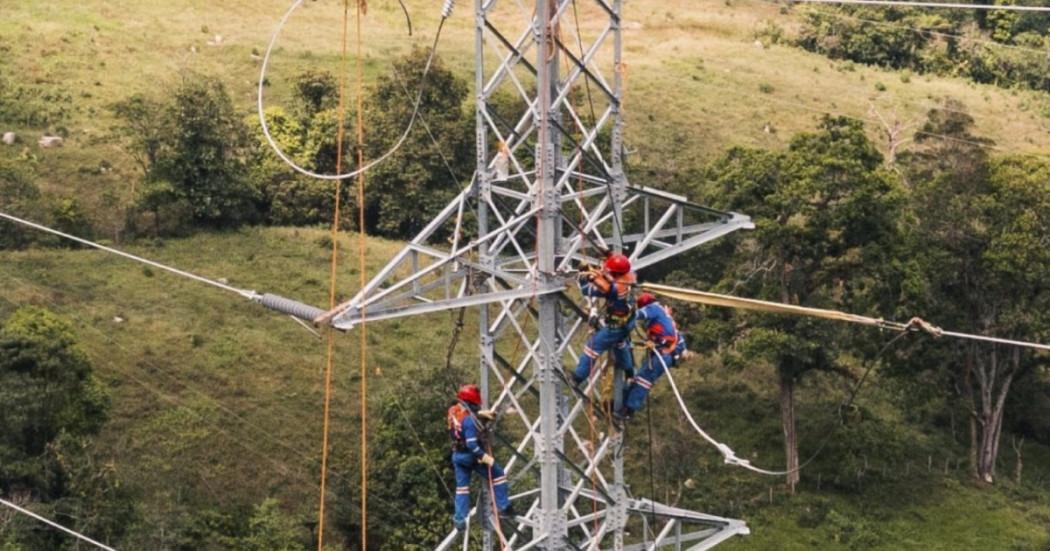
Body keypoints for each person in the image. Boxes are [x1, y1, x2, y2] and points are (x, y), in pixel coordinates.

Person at [447, 384, 513, 531]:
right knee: (498, 474)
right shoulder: (469, 421)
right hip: (471, 455)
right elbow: (471, 443)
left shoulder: (453, 411)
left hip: (457, 455)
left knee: (462, 489)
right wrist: (484, 457)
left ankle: (459, 520)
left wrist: (480, 416)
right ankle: (504, 507)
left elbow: (462, 426)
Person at [618, 292, 687, 422]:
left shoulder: (654, 309)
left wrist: (624, 311)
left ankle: (628, 409)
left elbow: (638, 315)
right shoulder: (664, 317)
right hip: (663, 353)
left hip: (664, 354)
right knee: (637, 379)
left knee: (643, 380)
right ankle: (622, 406)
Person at [572, 252, 637, 387]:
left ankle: (577, 378)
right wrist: (609, 256)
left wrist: (586, 277)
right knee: (620, 344)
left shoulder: (615, 290)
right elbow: (617, 269)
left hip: (615, 327)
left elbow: (587, 290)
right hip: (628, 322)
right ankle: (630, 372)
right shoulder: (630, 276)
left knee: (592, 348)